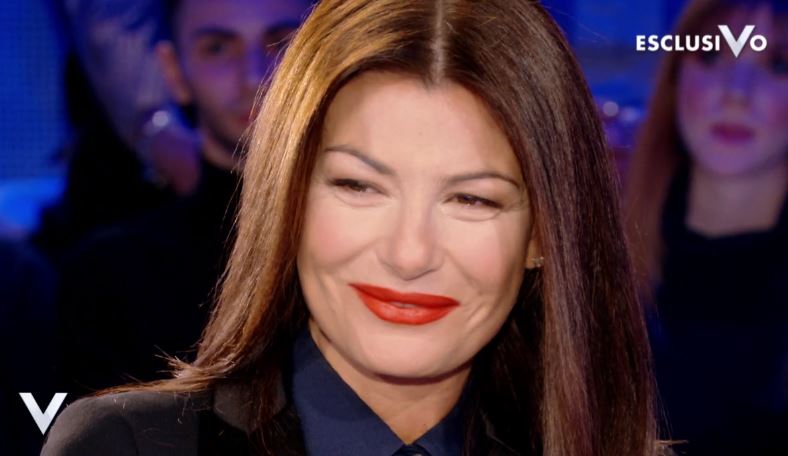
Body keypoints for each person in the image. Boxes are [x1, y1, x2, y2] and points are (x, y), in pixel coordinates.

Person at [43, 0, 661, 455]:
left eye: (472, 199)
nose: (409, 253)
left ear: (541, 237)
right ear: (289, 201)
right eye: (358, 186)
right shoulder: (127, 445)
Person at [53, 0, 309, 397]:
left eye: (282, 44)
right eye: (218, 48)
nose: (254, 77)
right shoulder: (109, 278)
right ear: (173, 70)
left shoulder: (375, 244)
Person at [625, 0, 787, 454]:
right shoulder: (594, 258)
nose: (736, 93)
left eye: (778, 64)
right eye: (712, 56)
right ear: (676, 77)